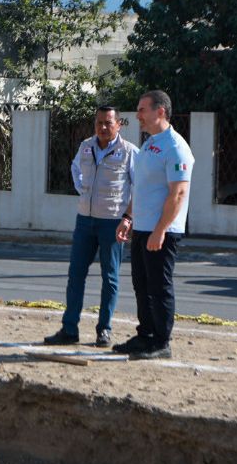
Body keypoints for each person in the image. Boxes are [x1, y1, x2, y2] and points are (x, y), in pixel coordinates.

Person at [44, 106, 137, 348]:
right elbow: (75, 169)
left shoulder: (128, 152)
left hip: (112, 222)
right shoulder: (86, 146)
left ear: (118, 125)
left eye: (108, 123)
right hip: (85, 220)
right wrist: (83, 190)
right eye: (99, 123)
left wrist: (128, 217)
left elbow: (140, 187)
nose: (103, 128)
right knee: (75, 275)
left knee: (110, 277)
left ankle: (104, 330)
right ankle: (69, 328)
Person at [113, 90, 194, 361]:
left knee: (159, 286)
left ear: (160, 111)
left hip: (163, 230)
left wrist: (160, 229)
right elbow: (142, 187)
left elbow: (178, 193)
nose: (137, 116)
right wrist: (129, 218)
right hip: (142, 227)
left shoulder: (176, 147)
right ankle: (145, 334)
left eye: (142, 110)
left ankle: (162, 342)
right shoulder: (149, 144)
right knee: (141, 283)